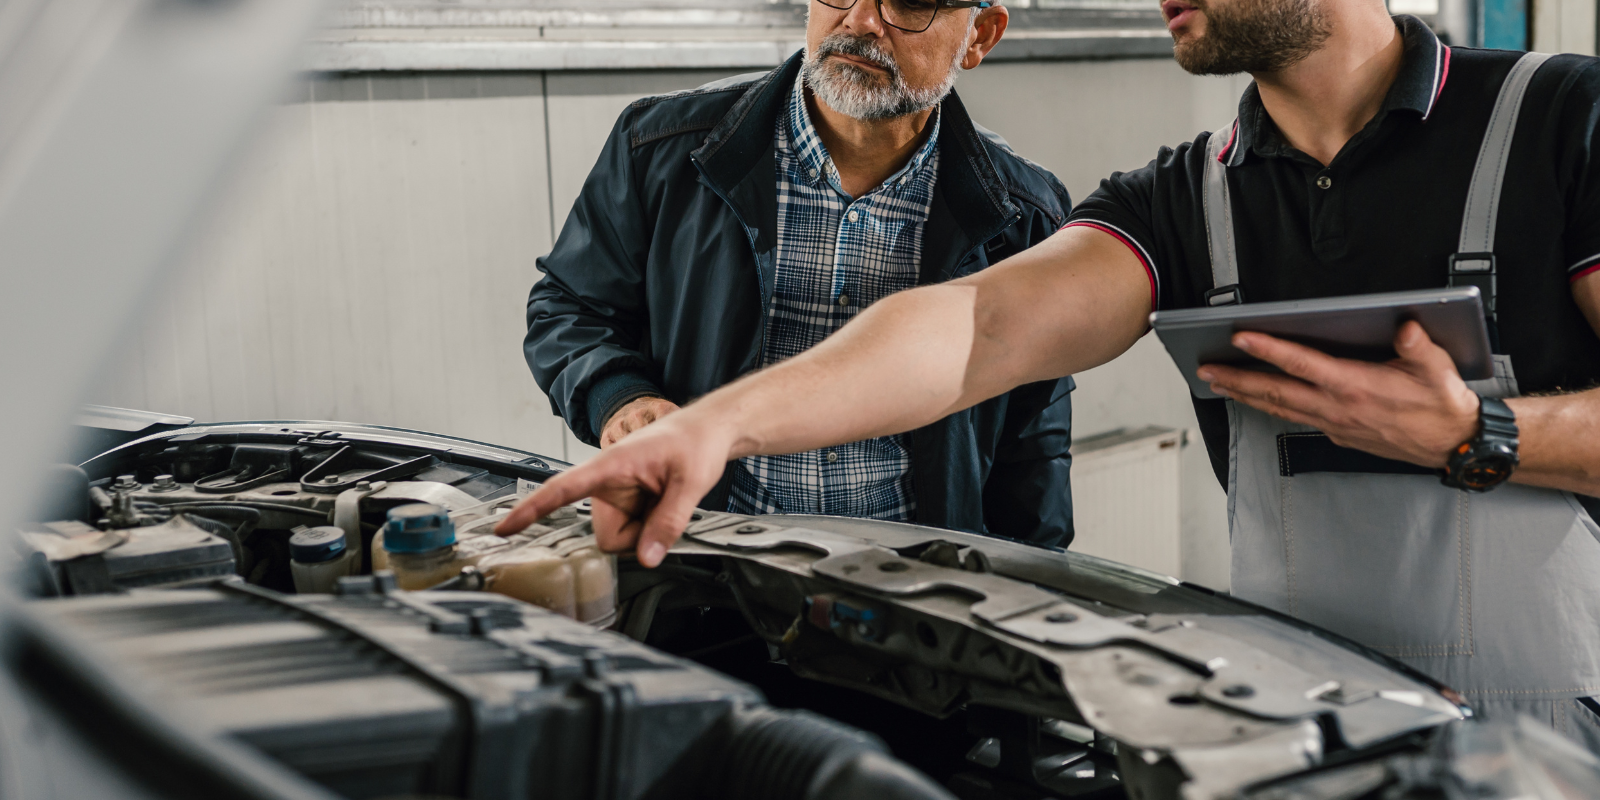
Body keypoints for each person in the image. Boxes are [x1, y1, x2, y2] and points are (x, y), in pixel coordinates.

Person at [502, 0, 1600, 748]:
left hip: (1552, 735)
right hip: (1295, 732)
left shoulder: (1560, 118)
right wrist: (715, 425)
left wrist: (1482, 435)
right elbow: (977, 326)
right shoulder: (1181, 199)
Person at [523, 0, 1078, 545]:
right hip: (703, 560)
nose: (861, 20)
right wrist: (620, 396)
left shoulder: (1023, 214)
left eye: (911, 4)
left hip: (916, 579)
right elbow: (571, 307)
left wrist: (1035, 582)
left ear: (980, 35)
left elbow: (1033, 436)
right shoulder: (660, 149)